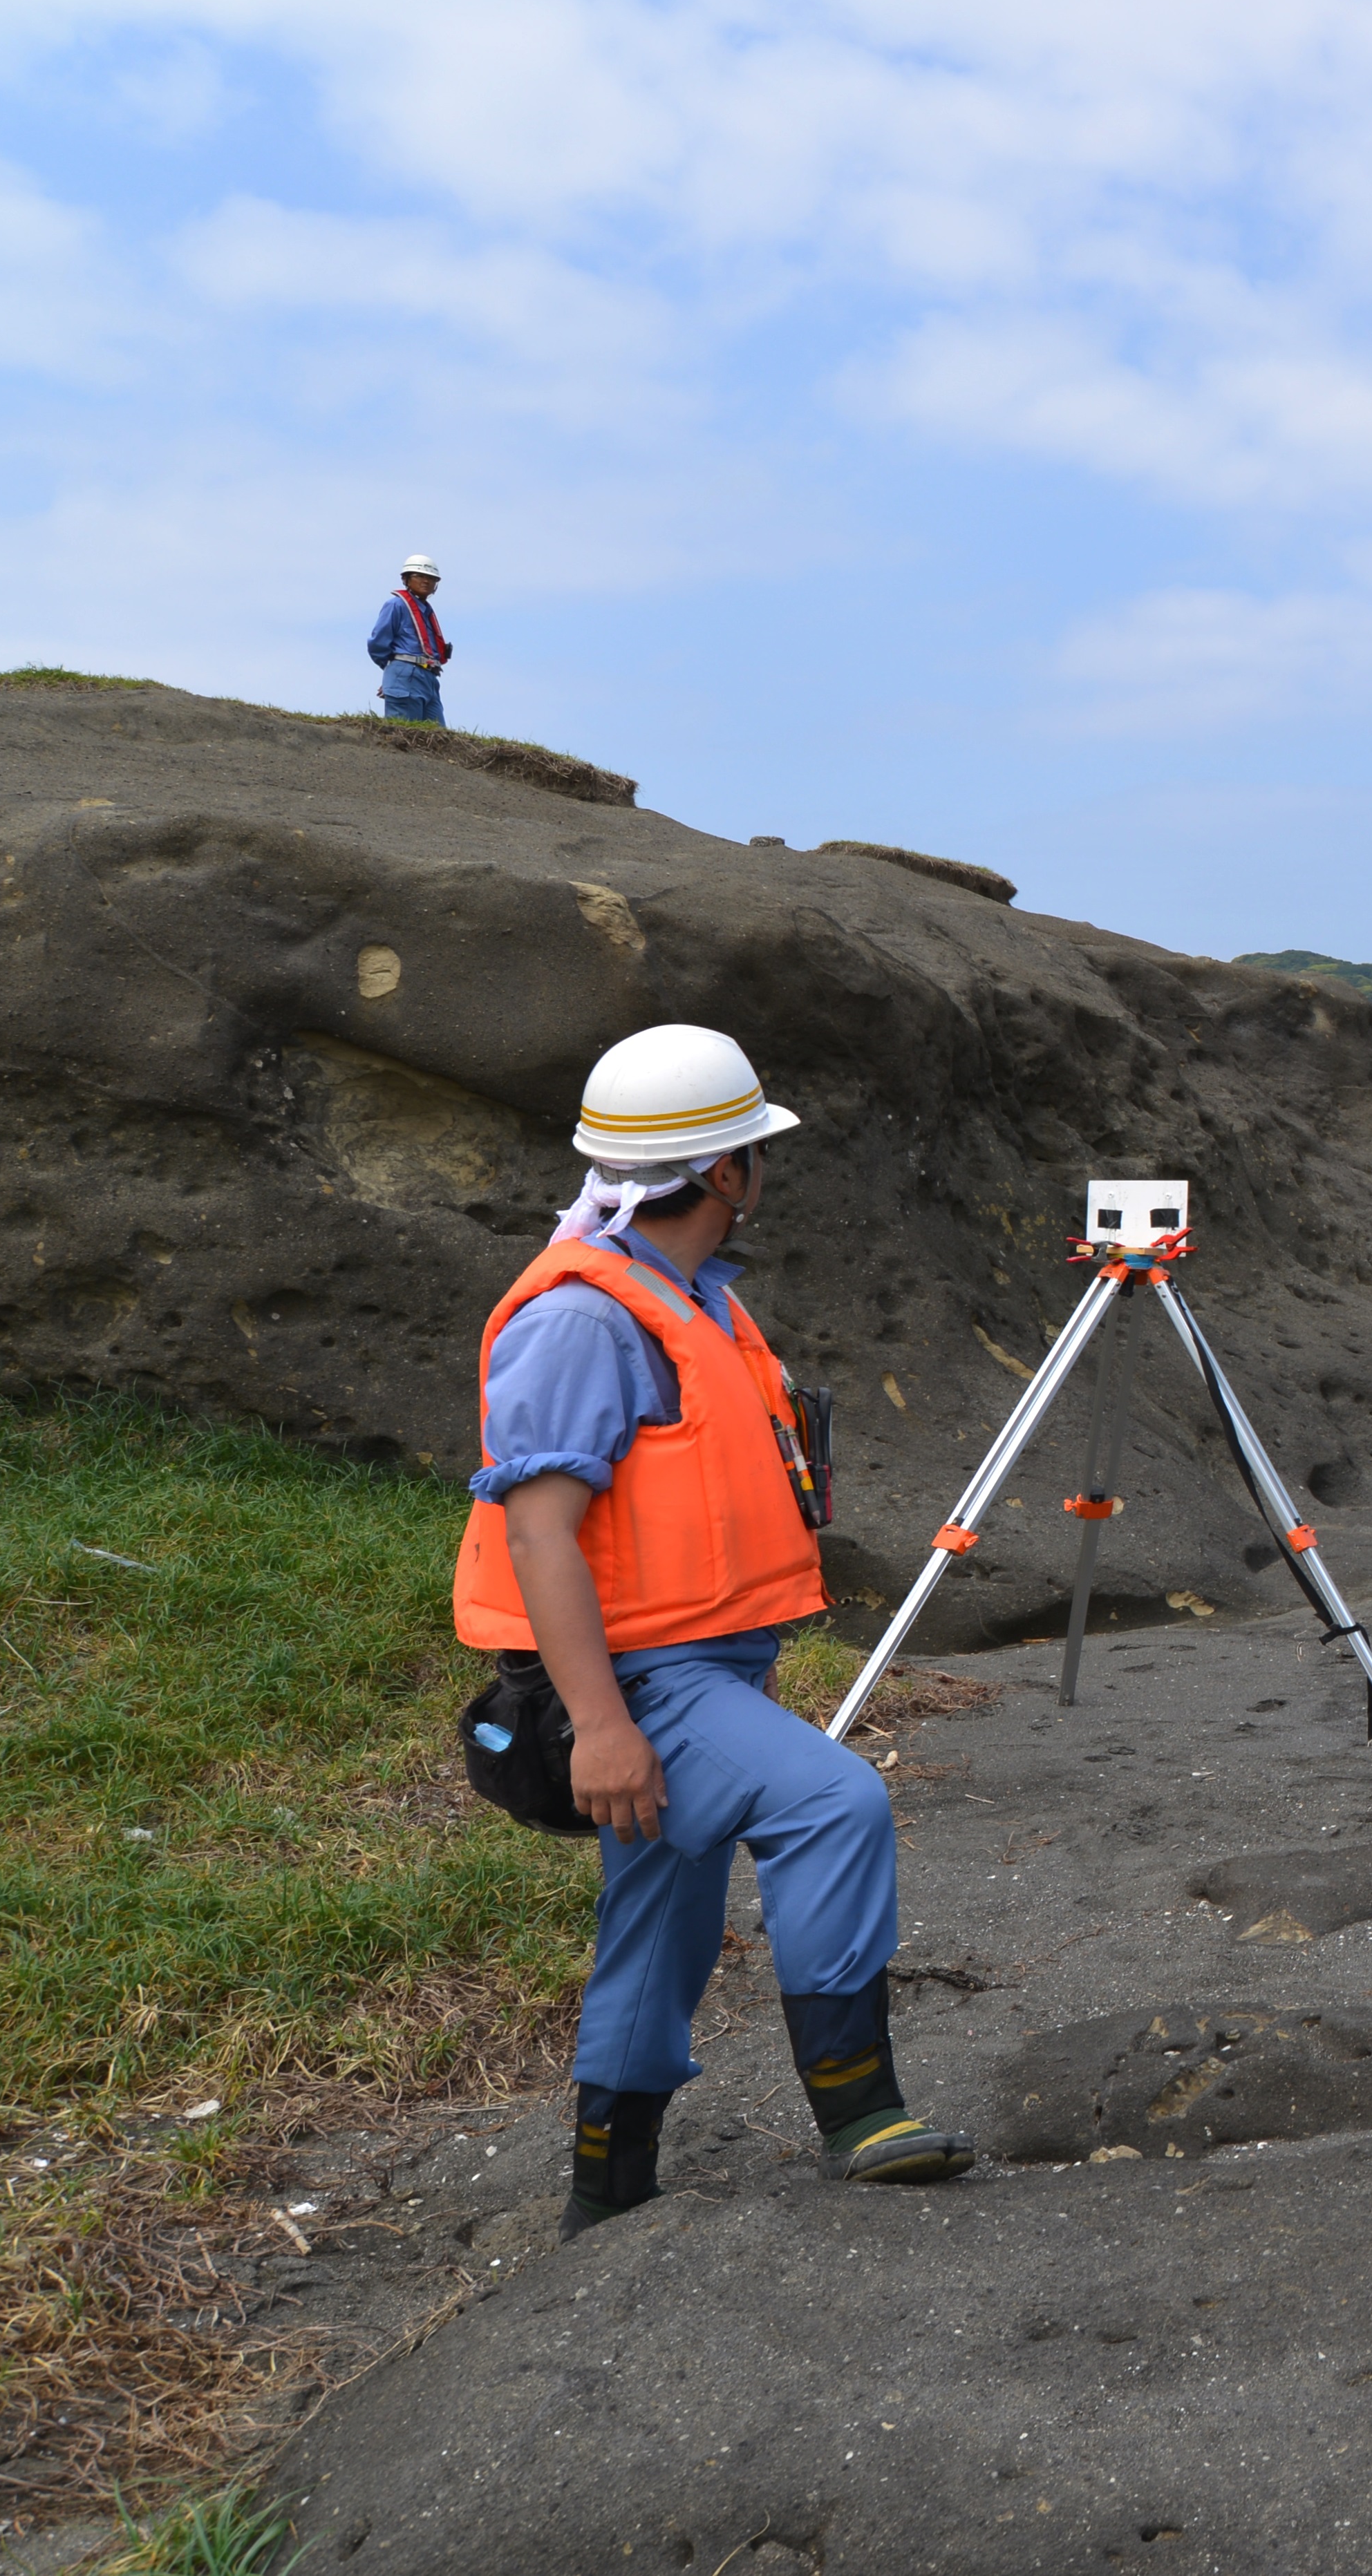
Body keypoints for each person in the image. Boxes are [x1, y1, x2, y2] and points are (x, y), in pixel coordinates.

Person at [450, 1023, 975, 2238]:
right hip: (643, 1679)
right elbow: (540, 1536)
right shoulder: (586, 1318)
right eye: (752, 1150)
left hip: (700, 1664)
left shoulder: (686, 1298)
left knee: (661, 1925)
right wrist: (601, 1728)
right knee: (832, 1801)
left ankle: (606, 2191)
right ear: (727, 1171)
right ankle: (860, 2112)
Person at [366, 555, 453, 721]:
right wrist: (395, 673)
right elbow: (378, 643)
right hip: (406, 671)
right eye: (420, 576)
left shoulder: (426, 612)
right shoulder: (396, 605)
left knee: (435, 736)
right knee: (404, 733)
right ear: (406, 579)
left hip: (430, 677)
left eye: (431, 579)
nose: (426, 582)